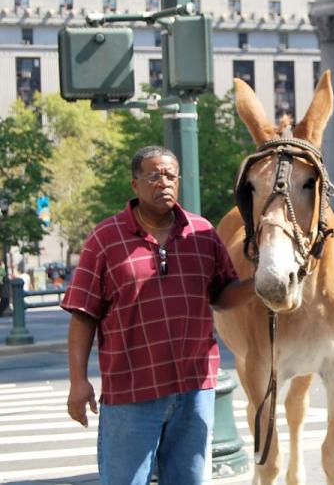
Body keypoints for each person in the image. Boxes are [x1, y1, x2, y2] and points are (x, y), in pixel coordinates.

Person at [61, 146, 255, 485]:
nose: (162, 182)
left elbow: (223, 295)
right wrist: (78, 381)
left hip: (194, 392)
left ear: (178, 182)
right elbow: (82, 315)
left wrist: (260, 284)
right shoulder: (105, 239)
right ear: (135, 185)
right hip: (131, 395)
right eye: (153, 175)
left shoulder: (202, 234)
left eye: (169, 175)